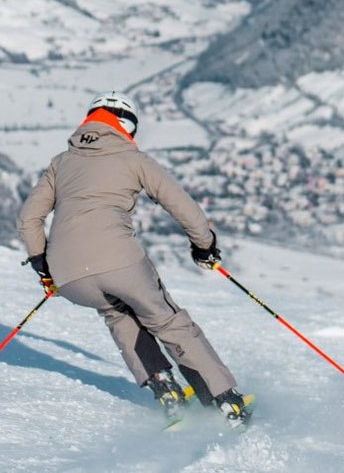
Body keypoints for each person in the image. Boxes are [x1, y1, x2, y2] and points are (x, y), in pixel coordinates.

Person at [16, 91, 250, 426]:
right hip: (120, 262)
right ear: (127, 126)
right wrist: (204, 245)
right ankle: (224, 400)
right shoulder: (133, 159)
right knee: (168, 322)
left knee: (117, 314)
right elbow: (182, 206)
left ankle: (165, 390)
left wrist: (43, 266)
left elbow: (28, 220)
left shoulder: (61, 162)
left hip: (69, 276)